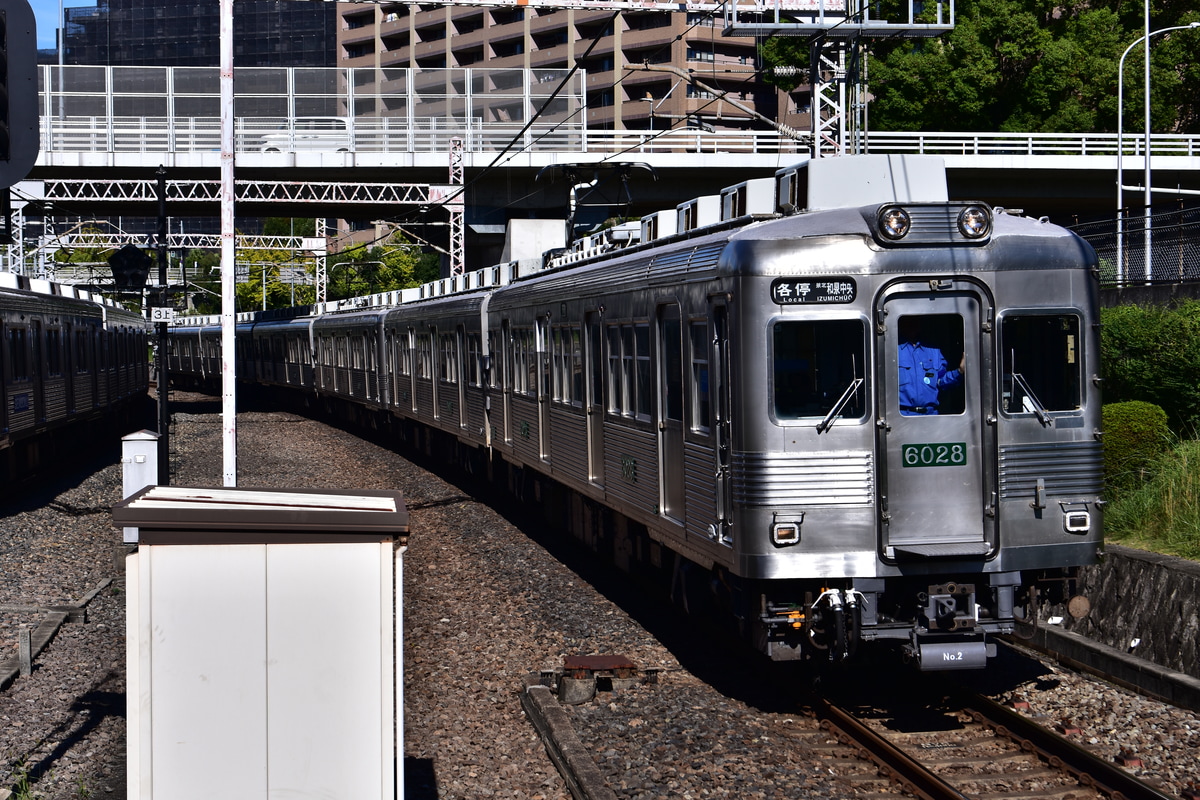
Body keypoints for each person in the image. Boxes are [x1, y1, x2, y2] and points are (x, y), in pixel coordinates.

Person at [897, 316, 963, 415]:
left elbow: (941, 381)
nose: (912, 324)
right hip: (901, 416)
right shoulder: (893, 349)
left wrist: (960, 371)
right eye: (909, 320)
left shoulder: (933, 350)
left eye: (915, 321)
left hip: (930, 416)